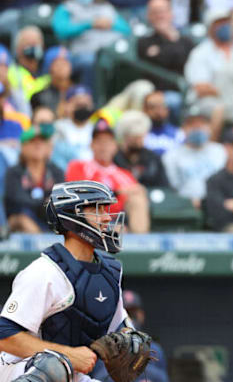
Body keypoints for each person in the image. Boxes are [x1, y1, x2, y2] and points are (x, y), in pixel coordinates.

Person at [0, 180, 141, 381]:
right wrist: (69, 354)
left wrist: (127, 344)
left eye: (106, 210)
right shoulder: (44, 271)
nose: (107, 217)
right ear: (72, 216)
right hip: (18, 371)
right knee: (54, 366)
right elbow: (3, 336)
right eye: (98, 210)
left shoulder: (110, 272)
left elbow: (121, 330)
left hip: (70, 375)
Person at [65, 119, 150, 233]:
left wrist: (139, 190)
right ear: (91, 145)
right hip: (87, 222)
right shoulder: (79, 166)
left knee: (138, 199)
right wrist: (117, 192)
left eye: (107, 142)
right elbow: (76, 197)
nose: (103, 146)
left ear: (115, 146)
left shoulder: (124, 174)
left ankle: (141, 243)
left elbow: (137, 194)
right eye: (99, 141)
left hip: (117, 221)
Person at [51, 0, 130, 90]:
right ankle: (88, 98)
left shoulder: (106, 7)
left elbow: (126, 30)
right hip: (80, 54)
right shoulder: (66, 7)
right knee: (88, 61)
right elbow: (62, 30)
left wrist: (110, 24)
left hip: (109, 53)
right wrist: (90, 24)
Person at [91, 290, 169, 382]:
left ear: (141, 315)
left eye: (132, 314)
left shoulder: (155, 349)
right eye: (125, 314)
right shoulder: (102, 347)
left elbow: (162, 379)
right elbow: (97, 377)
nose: (129, 319)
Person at [162, 105, 226, 206]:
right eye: (192, 124)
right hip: (185, 205)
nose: (198, 127)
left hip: (218, 204)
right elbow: (173, 188)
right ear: (183, 128)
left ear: (210, 127)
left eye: (202, 123)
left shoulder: (221, 151)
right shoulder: (171, 156)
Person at [4, 126, 64, 233]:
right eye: (32, 141)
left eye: (42, 141)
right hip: (24, 221)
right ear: (23, 147)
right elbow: (17, 200)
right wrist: (44, 204)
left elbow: (60, 200)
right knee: (21, 219)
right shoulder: (13, 173)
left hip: (50, 220)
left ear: (48, 147)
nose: (38, 145)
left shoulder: (57, 172)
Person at [184, 7, 233, 110]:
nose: (225, 26)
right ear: (210, 27)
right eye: (219, 23)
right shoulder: (200, 53)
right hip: (208, 101)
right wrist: (231, 92)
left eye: (226, 22)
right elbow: (201, 88)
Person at [137, 0, 194, 91]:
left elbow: (185, 62)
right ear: (148, 16)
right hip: (156, 92)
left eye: (162, 11)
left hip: (183, 91)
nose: (160, 16)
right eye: (155, 12)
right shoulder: (143, 42)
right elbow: (156, 64)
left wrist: (170, 39)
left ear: (171, 13)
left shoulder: (186, 41)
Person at [113, 111, 168, 188]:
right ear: (124, 136)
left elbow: (164, 187)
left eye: (141, 137)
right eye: (135, 137)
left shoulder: (153, 159)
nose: (138, 141)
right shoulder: (113, 158)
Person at [51, 85, 96, 170]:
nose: (82, 109)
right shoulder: (58, 128)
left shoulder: (98, 128)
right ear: (67, 105)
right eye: (78, 105)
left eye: (85, 105)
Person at [7, 26, 49, 108]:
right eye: (28, 44)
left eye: (36, 44)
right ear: (18, 49)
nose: (33, 48)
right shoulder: (11, 73)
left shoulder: (49, 69)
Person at [30, 47, 74, 114]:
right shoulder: (40, 96)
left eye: (65, 63)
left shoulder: (80, 92)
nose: (61, 67)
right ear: (49, 68)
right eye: (57, 64)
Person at [142, 91, 182, 156]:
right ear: (144, 110)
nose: (158, 112)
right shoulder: (138, 134)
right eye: (152, 107)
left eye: (162, 106)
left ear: (167, 109)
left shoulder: (178, 134)